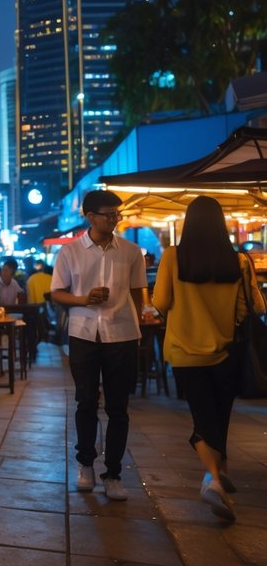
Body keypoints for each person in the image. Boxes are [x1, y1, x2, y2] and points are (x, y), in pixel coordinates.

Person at [151, 196, 264, 521]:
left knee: (203, 420)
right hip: (228, 350)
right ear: (221, 223)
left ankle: (213, 480)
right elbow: (254, 307)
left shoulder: (173, 256)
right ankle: (220, 482)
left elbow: (161, 301)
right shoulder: (239, 261)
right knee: (220, 419)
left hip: (185, 353)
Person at [51, 189, 146, 501]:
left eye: (117, 214)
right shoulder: (70, 252)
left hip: (122, 334)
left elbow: (136, 295)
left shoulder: (132, 252)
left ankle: (114, 473)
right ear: (89, 216)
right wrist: (84, 299)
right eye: (108, 214)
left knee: (119, 407)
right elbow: (57, 293)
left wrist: (137, 325)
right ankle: (85, 464)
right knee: (86, 402)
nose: (114, 219)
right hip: (84, 333)